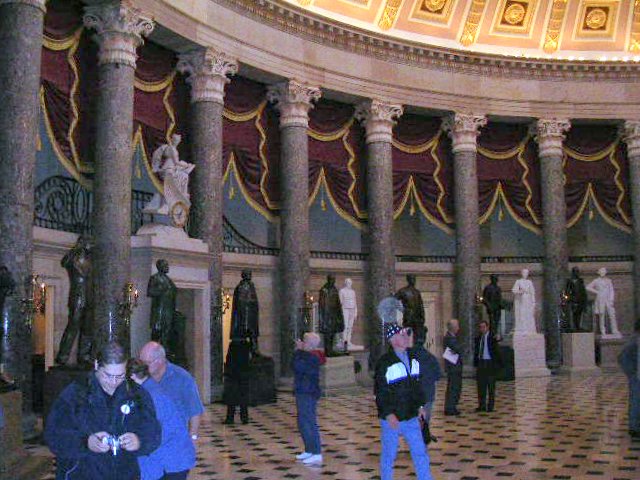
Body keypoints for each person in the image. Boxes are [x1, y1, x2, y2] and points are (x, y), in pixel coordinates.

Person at [45, 342, 160, 480]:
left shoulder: (137, 394)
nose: (114, 382)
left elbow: (153, 431)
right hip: (83, 474)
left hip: (125, 474)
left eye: (120, 376)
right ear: (96, 366)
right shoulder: (75, 394)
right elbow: (54, 436)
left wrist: (139, 441)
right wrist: (86, 442)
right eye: (108, 375)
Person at [375, 317, 432, 480]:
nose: (407, 337)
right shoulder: (385, 363)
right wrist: (388, 413)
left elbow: (417, 386)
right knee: (389, 454)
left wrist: (421, 406)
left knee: (420, 452)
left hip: (411, 416)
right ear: (393, 340)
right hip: (392, 418)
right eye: (402, 335)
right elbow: (380, 391)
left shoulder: (414, 359)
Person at [128, 359, 196, 480]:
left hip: (171, 461)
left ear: (132, 377)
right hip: (174, 457)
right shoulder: (152, 388)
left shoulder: (149, 395)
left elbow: (153, 433)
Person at [139, 342, 204, 445]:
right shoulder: (140, 378)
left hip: (175, 441)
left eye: (147, 363)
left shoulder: (182, 378)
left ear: (160, 360)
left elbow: (195, 410)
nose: (142, 367)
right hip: (148, 440)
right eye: (141, 362)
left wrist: (193, 437)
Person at [56, 236, 93, 365]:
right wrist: (75, 251)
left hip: (89, 297)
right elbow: (64, 262)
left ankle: (84, 356)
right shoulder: (73, 258)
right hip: (77, 296)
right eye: (88, 243)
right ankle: (62, 356)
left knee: (87, 328)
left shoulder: (90, 260)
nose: (91, 246)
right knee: (73, 326)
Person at [292, 332, 326, 465]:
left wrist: (298, 351)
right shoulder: (306, 355)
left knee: (309, 422)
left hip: (308, 392)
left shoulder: (313, 357)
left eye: (304, 341)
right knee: (302, 422)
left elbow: (298, 366)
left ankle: (316, 452)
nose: (302, 343)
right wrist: (299, 351)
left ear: (310, 345)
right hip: (303, 390)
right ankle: (309, 449)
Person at [411, 334, 441, 443]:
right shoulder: (431, 357)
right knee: (425, 418)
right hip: (428, 392)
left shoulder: (408, 357)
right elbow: (438, 375)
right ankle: (424, 436)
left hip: (413, 393)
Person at [147, 259, 178, 351]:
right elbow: (150, 292)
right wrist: (162, 289)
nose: (167, 267)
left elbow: (173, 292)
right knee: (158, 331)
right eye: (165, 265)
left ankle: (165, 350)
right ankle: (154, 350)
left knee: (167, 332)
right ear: (160, 267)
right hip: (159, 310)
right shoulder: (155, 278)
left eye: (167, 265)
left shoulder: (169, 280)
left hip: (169, 309)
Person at [474, 320, 502, 413]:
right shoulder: (478, 338)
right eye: (480, 327)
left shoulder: (492, 336)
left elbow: (499, 338)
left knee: (491, 386)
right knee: (481, 386)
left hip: (490, 363)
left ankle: (490, 406)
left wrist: (499, 338)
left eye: (483, 327)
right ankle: (481, 405)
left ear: (487, 327)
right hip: (481, 363)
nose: (482, 329)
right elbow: (476, 351)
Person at [223, 337, 252, 424]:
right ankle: (244, 418)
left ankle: (230, 417)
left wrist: (227, 371)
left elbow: (229, 359)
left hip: (233, 373)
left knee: (232, 396)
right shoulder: (246, 345)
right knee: (243, 396)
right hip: (243, 372)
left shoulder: (233, 345)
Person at [231, 269, 261, 353]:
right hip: (246, 317)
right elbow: (242, 303)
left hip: (251, 315)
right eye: (249, 274)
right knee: (250, 333)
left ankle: (253, 349)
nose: (250, 275)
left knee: (252, 335)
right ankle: (252, 349)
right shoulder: (243, 286)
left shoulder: (250, 286)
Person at [587, 267, 621, 336]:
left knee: (612, 314)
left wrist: (611, 299)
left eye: (604, 271)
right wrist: (596, 292)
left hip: (608, 299)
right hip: (600, 299)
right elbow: (588, 287)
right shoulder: (596, 281)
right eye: (601, 271)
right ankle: (603, 330)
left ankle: (614, 330)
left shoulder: (609, 281)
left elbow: (611, 290)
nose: (602, 272)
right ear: (599, 273)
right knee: (601, 315)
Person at [618, 334, 640, 439]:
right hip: (637, 378)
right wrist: (631, 373)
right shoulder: (634, 342)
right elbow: (623, 358)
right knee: (636, 402)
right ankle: (634, 427)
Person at [318, 274, 345, 357]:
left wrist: (339, 314)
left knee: (332, 332)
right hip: (326, 315)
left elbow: (337, 302)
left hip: (334, 314)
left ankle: (331, 349)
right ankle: (327, 350)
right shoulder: (324, 290)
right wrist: (324, 316)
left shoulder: (334, 289)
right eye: (332, 279)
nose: (333, 281)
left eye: (334, 280)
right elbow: (322, 304)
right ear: (328, 280)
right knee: (327, 333)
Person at [395, 274, 426, 343]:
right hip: (408, 315)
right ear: (408, 280)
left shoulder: (417, 292)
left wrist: (422, 316)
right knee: (406, 334)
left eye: (414, 279)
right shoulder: (403, 291)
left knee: (417, 336)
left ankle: (415, 347)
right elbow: (394, 300)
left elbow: (420, 305)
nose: (413, 281)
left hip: (417, 317)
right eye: (411, 279)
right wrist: (401, 309)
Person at [443, 319, 463, 416]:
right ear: (453, 327)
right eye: (457, 325)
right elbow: (457, 349)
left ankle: (452, 406)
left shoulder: (452, 337)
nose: (458, 328)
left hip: (454, 366)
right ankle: (450, 407)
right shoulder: (449, 338)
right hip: (453, 366)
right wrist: (462, 346)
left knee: (455, 387)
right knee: (453, 388)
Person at [564, 267, 587, 332]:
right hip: (572, 300)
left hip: (580, 300)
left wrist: (584, 300)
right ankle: (572, 327)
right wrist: (569, 298)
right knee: (573, 314)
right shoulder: (569, 281)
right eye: (575, 271)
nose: (577, 273)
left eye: (577, 271)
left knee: (579, 314)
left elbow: (583, 291)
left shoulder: (580, 281)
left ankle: (578, 326)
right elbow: (567, 291)